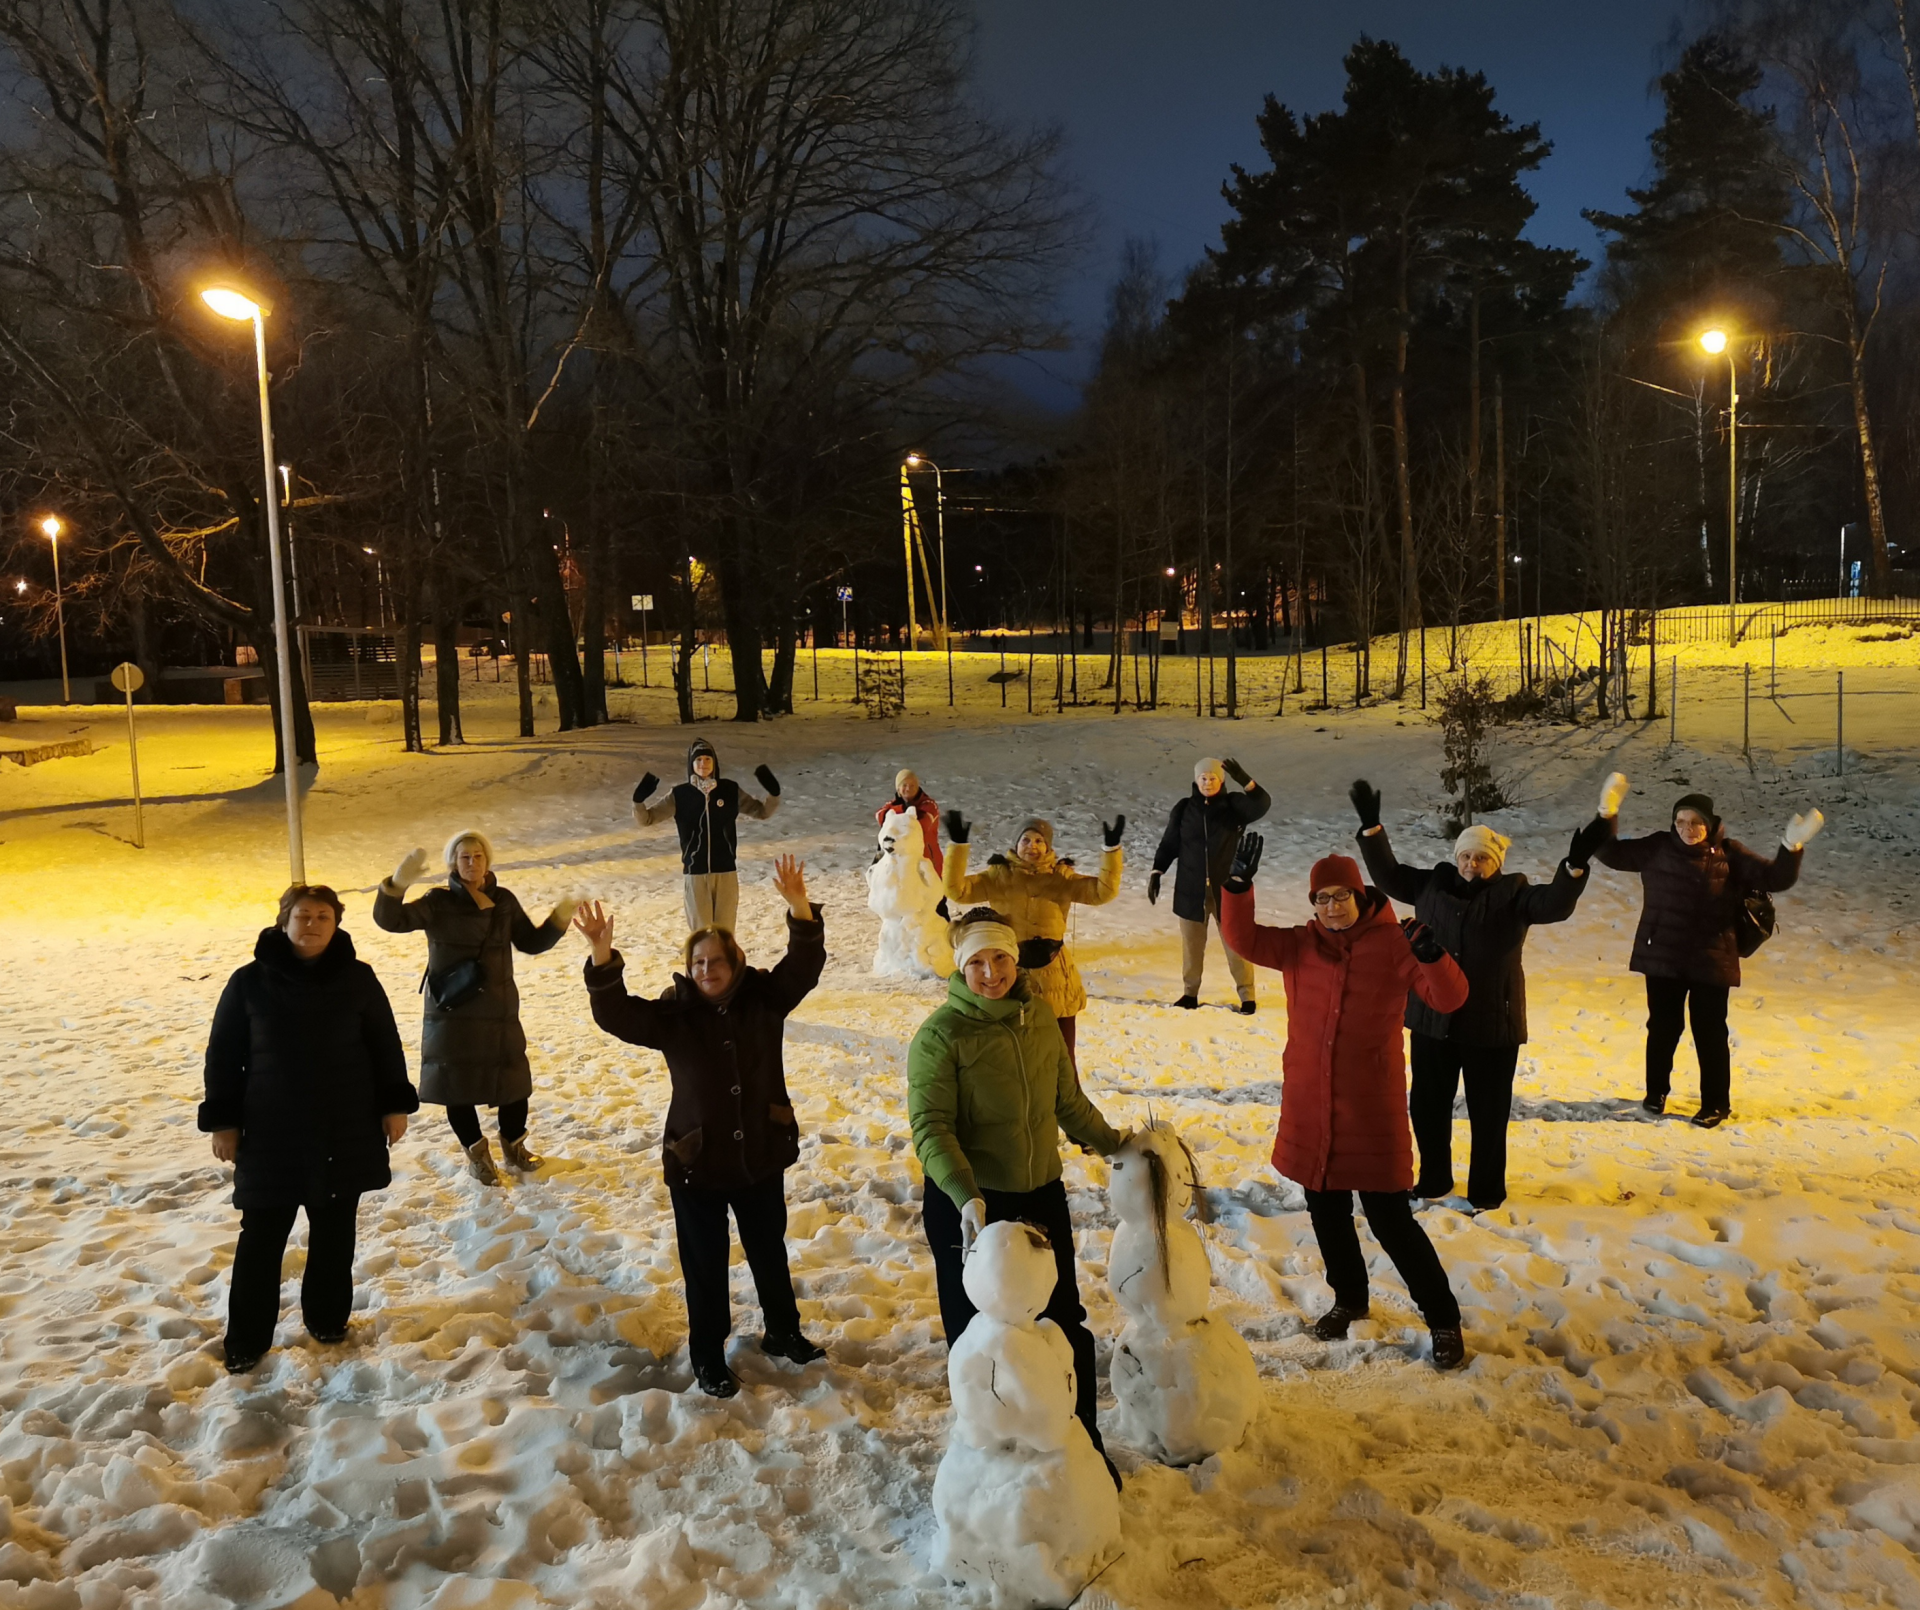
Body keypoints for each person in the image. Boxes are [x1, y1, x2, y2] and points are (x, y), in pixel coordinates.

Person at [574, 856, 827, 1399]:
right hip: (697, 1164)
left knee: (769, 1250)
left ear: (735, 963)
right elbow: (616, 1013)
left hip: (760, 1152)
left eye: (715, 961)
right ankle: (708, 1356)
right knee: (705, 1266)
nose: (706, 970)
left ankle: (784, 1332)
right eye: (697, 963)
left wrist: (800, 908)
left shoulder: (765, 1001)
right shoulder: (675, 1017)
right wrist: (601, 951)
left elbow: (803, 967)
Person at [1218, 835, 1472, 1370]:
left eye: (1341, 896)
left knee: (1391, 1220)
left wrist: (1432, 954)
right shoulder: (1299, 945)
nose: (1332, 907)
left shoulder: (1396, 943)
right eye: (1322, 898)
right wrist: (1237, 886)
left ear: (1361, 895)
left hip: (1369, 1106)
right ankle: (1350, 1298)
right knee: (1326, 1212)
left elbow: (1449, 998)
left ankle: (1443, 1319)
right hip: (1312, 1102)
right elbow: (1241, 938)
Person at [908, 907, 1126, 1478]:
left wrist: (1117, 1144)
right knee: (979, 1340)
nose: (990, 972)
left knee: (1062, 1322)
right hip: (971, 1208)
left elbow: (1068, 1103)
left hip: (1038, 1197)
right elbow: (932, 1127)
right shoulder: (941, 1035)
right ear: (960, 967)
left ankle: (1080, 1443)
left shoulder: (1041, 1018)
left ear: (1014, 958)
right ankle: (988, 1463)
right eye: (976, 962)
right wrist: (966, 1195)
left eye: (1000, 957)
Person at [1349, 779, 1614, 1211]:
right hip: (1433, 1018)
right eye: (1466, 856)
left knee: (1488, 1115)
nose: (1472, 864)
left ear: (1497, 863)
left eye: (1482, 858)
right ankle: (1433, 1179)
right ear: (1456, 858)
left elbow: (1555, 905)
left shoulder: (1515, 895)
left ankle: (1486, 1191)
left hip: (1492, 1022)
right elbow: (1388, 875)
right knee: (1428, 1108)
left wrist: (1575, 865)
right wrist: (1372, 829)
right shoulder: (1431, 884)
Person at [200, 884, 418, 1373]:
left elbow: (385, 1044)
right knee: (260, 1238)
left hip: (343, 1127)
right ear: (284, 921)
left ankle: (326, 1318)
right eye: (303, 915)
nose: (313, 924)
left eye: (324, 915)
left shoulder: (359, 979)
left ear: (337, 924)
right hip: (268, 1131)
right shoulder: (248, 982)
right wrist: (223, 1122)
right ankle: (247, 1339)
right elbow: (223, 1055)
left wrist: (393, 1106)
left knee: (335, 1232)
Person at [1590, 772, 1822, 1128]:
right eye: (1681, 821)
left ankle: (1715, 1103)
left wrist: (1791, 846)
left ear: (1710, 824)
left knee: (1710, 1031)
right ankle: (1655, 1094)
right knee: (1663, 1028)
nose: (1687, 828)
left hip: (1711, 956)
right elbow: (1608, 851)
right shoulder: (1656, 848)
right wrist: (1607, 812)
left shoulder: (1730, 855)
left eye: (1696, 822)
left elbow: (1777, 879)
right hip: (1663, 956)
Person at [374, 830, 577, 1184]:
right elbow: (390, 921)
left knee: (513, 1082)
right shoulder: (437, 902)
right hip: (452, 1011)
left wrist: (558, 920)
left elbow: (529, 942)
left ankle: (515, 1146)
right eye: (464, 856)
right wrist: (396, 885)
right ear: (453, 862)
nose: (472, 862)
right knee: (458, 1085)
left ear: (487, 860)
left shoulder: (504, 901)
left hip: (498, 1011)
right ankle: (477, 1154)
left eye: (478, 856)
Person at [940, 811, 1124, 1062]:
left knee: (1062, 1054)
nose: (1032, 846)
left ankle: (1065, 1098)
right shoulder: (999, 875)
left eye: (1039, 841)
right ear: (1016, 844)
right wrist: (958, 848)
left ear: (1048, 846)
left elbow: (1102, 893)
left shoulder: (1061, 877)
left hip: (1056, 974)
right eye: (1026, 840)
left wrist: (1111, 851)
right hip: (1012, 972)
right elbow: (957, 891)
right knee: (1020, 1051)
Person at [1149, 757, 1270, 1012]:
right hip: (1190, 890)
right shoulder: (1183, 809)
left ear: (1221, 779)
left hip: (1227, 889)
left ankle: (1247, 995)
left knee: (1236, 943)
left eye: (1213, 778)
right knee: (1191, 947)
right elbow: (1170, 843)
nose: (1207, 782)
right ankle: (1189, 994)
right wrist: (1157, 871)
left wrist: (1245, 779)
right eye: (1203, 778)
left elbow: (1261, 805)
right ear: (1195, 780)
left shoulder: (1234, 806)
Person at [633, 739, 782, 931]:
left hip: (726, 872)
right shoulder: (680, 795)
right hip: (696, 874)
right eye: (698, 760)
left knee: (725, 934)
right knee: (701, 935)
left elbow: (762, 812)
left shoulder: (729, 790)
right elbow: (646, 819)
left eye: (707, 759)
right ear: (691, 764)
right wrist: (638, 802)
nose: (703, 764)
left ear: (714, 762)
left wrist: (774, 794)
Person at [877, 768, 944, 879]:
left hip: (927, 860)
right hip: (901, 863)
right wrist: (900, 809)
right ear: (898, 788)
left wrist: (897, 814)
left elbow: (918, 825)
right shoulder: (892, 805)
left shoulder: (929, 805)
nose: (908, 789)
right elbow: (880, 816)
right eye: (904, 785)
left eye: (912, 785)